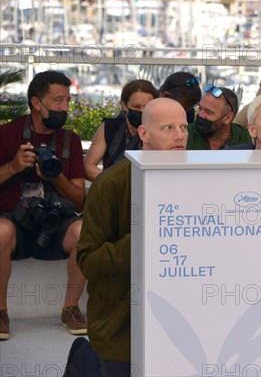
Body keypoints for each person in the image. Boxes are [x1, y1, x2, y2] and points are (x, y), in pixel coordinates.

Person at [77, 98, 188, 376]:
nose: (179, 136)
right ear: (144, 134)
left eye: (184, 127)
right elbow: (88, 261)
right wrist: (144, 239)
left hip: (180, 323)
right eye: (168, 127)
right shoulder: (111, 184)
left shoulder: (196, 179)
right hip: (121, 327)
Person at [0, 71, 87, 340]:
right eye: (58, 100)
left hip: (55, 221)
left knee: (85, 232)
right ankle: (1, 311)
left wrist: (55, 176)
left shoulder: (69, 140)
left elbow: (80, 199)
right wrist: (13, 167)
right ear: (37, 103)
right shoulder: (7, 134)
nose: (65, 108)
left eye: (68, 101)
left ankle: (70, 307)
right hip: (13, 220)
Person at [84, 79, 159, 181]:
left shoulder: (161, 131)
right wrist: (116, 184)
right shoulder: (109, 127)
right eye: (136, 107)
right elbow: (88, 167)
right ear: (124, 105)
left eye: (147, 107)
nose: (142, 111)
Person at [186, 84, 252, 150]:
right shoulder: (186, 134)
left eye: (208, 112)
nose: (200, 114)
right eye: (200, 108)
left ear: (228, 118)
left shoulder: (243, 137)